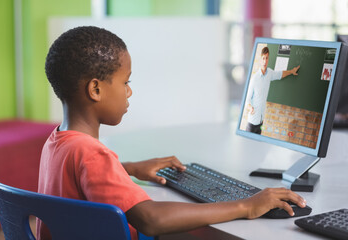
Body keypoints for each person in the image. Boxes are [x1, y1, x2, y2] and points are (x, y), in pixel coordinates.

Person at [38, 26, 307, 240]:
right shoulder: (93, 153)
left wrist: (126, 168)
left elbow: (79, 173)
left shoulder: (57, 141)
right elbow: (151, 219)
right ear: (95, 90)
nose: (129, 91)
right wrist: (247, 205)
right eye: (125, 82)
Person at [246, 46, 300, 134]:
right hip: (251, 123)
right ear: (260, 59)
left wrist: (291, 71)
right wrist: (250, 107)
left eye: (266, 58)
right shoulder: (254, 79)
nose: (265, 61)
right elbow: (247, 100)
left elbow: (280, 74)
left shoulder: (269, 73)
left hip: (260, 122)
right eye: (263, 58)